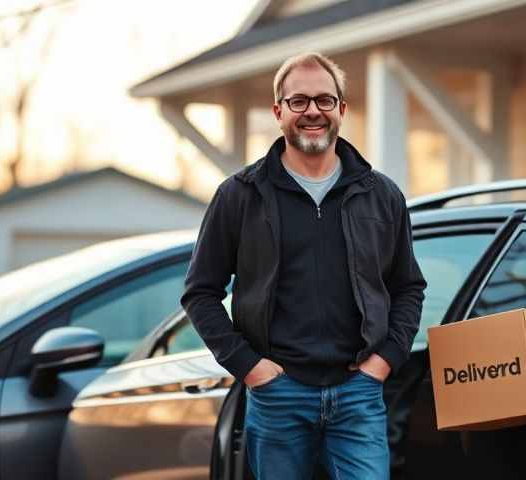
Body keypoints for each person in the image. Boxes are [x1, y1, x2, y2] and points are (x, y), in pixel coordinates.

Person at [181, 52, 426, 479]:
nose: (313, 111)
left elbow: (408, 287)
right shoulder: (239, 196)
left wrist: (384, 361)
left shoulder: (382, 195)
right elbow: (200, 293)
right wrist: (249, 367)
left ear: (342, 110)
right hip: (279, 395)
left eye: (325, 100)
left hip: (358, 394)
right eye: (299, 101)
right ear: (278, 111)